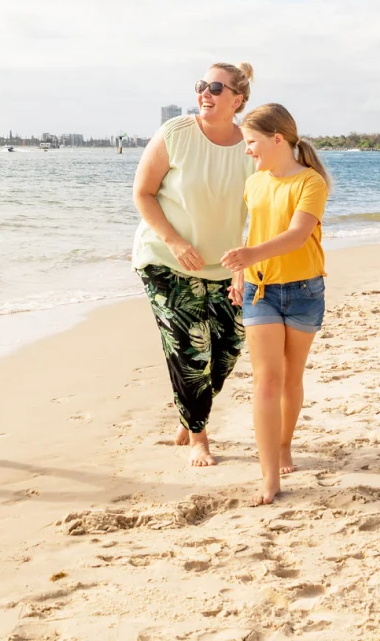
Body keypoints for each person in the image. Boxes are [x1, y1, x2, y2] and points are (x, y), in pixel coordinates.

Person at [130, 63, 258, 467]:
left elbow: (258, 212)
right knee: (192, 351)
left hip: (225, 265)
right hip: (165, 258)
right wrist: (175, 240)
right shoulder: (175, 133)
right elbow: (143, 193)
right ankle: (200, 437)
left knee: (229, 348)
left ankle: (190, 414)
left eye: (216, 87)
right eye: (202, 85)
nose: (206, 92)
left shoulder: (249, 146)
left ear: (238, 99)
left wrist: (242, 268)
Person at [219, 103, 331, 506]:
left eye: (252, 142)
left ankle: (284, 445)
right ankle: (269, 475)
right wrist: (239, 275)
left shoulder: (310, 183)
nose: (247, 150)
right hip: (260, 289)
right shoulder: (255, 182)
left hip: (304, 290)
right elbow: (253, 232)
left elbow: (298, 234)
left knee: (290, 377)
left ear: (277, 139)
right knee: (266, 379)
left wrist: (248, 257)